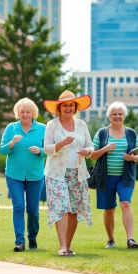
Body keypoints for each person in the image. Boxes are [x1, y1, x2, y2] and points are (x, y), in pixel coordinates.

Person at [43, 90, 93, 256]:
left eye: (71, 105)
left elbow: (91, 145)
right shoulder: (52, 125)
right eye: (64, 105)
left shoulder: (82, 125)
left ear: (75, 107)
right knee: (63, 207)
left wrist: (87, 150)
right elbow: (47, 148)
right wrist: (61, 143)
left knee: (73, 210)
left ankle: (69, 245)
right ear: (59, 107)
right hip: (56, 173)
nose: (68, 108)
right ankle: (62, 246)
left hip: (77, 173)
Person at [0, 98, 46, 252]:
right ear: (17, 113)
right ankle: (20, 241)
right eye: (22, 112)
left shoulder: (43, 128)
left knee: (33, 210)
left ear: (33, 113)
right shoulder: (11, 128)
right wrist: (11, 143)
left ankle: (32, 237)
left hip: (35, 175)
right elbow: (2, 150)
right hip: (14, 175)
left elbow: (50, 149)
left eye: (28, 111)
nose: (25, 114)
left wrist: (41, 151)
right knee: (18, 207)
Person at [90, 101, 138, 249]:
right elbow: (92, 156)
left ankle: (130, 239)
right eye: (114, 114)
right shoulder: (102, 133)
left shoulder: (131, 133)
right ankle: (111, 239)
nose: (117, 116)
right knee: (109, 208)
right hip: (105, 177)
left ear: (124, 115)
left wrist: (133, 158)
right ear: (109, 116)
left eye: (120, 114)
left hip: (126, 177)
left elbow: (137, 155)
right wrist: (105, 149)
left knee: (125, 203)